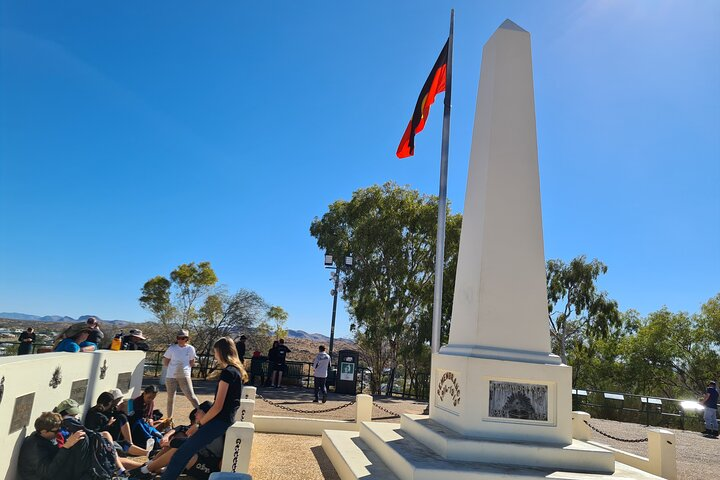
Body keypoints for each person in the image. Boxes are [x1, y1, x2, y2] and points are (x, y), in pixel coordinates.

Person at [159, 337, 247, 480]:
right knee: (183, 452)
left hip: (219, 421)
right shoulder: (236, 371)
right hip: (225, 420)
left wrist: (198, 425)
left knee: (181, 454)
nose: (215, 355)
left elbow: (218, 406)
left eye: (215, 351)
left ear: (220, 352)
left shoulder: (227, 373)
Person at [129, 401, 222, 479]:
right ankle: (148, 467)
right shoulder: (205, 426)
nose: (195, 414)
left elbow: (187, 443)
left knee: (180, 449)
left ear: (206, 414)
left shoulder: (210, 429)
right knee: (176, 445)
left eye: (199, 411)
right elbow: (181, 428)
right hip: (200, 460)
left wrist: (170, 442)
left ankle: (144, 470)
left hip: (208, 468)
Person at [18, 412, 94, 480]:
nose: (58, 433)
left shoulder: (43, 438)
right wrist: (66, 447)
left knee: (81, 438)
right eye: (56, 431)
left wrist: (69, 444)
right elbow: (48, 473)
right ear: (44, 431)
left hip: (54, 471)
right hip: (44, 476)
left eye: (59, 430)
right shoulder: (34, 448)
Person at [85, 391, 151, 456]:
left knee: (122, 417)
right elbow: (94, 431)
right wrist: (108, 424)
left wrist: (118, 410)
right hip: (99, 439)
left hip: (107, 435)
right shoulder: (95, 414)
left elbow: (114, 415)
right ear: (108, 404)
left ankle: (147, 453)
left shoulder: (100, 410)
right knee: (124, 444)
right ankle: (147, 453)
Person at [163, 329, 200, 418]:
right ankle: (169, 419)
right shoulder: (172, 348)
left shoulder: (190, 348)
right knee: (170, 398)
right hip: (171, 376)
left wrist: (185, 370)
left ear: (186, 339)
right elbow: (166, 361)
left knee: (191, 396)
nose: (180, 340)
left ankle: (202, 413)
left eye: (183, 338)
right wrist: (173, 369)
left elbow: (192, 361)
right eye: (178, 338)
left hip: (184, 375)